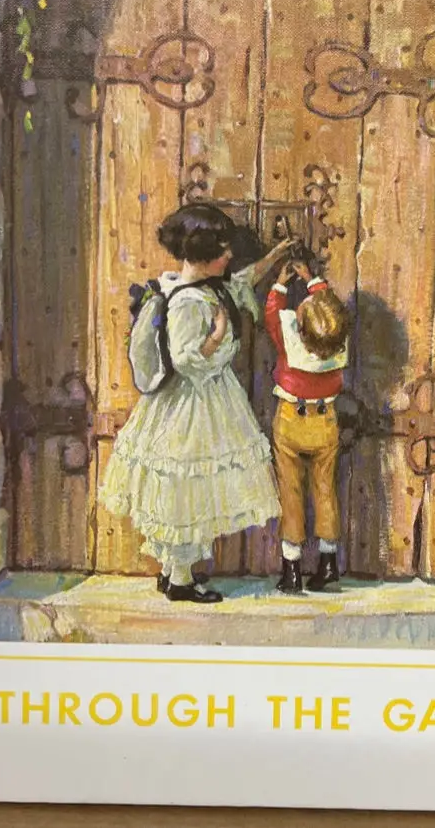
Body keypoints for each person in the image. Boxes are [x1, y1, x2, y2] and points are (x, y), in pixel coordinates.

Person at [101, 205, 292, 603]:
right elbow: (187, 360)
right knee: (186, 490)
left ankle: (172, 572)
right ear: (202, 254)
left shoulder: (208, 288)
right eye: (221, 249)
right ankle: (181, 579)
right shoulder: (187, 302)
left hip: (204, 398)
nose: (229, 256)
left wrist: (274, 257)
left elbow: (242, 281)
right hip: (190, 405)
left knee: (188, 491)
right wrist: (219, 334)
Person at [264, 259, 351, 593]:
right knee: (325, 489)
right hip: (325, 421)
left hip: (291, 419)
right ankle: (328, 562)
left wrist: (281, 284)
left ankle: (292, 568)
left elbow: (273, 314)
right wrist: (314, 280)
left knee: (291, 491)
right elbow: (328, 313)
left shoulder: (290, 341)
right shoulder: (336, 339)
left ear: (300, 328)